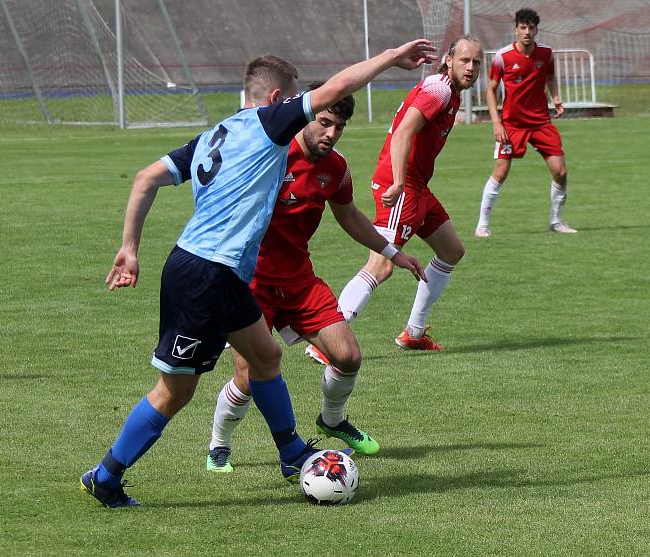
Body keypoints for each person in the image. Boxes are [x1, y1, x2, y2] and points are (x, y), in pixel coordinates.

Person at [79, 39, 437, 508]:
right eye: (293, 101)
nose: (301, 110)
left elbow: (148, 177)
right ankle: (106, 476)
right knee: (175, 391)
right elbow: (339, 86)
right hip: (204, 275)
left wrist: (130, 248)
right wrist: (392, 57)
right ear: (275, 101)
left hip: (220, 274)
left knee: (267, 357)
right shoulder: (270, 124)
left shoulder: (215, 134)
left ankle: (291, 453)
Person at [206, 82, 426, 473]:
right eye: (324, 122)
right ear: (306, 115)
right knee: (247, 376)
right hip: (250, 283)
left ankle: (332, 419)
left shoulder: (336, 168)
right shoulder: (269, 154)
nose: (330, 134)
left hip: (299, 281)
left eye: (338, 127)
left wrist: (393, 252)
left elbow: (350, 216)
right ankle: (219, 444)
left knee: (348, 356)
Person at [333, 35, 483, 352]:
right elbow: (403, 133)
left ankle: (414, 333)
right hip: (402, 185)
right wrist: (399, 182)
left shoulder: (448, 92)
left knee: (451, 250)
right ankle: (329, 340)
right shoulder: (439, 90)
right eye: (465, 60)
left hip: (417, 186)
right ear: (448, 60)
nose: (471, 68)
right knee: (381, 265)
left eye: (476, 62)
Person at [474, 7, 576, 238]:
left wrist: (556, 97)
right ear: (516, 30)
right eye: (523, 27)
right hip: (512, 125)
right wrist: (496, 123)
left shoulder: (546, 54)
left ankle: (556, 221)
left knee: (560, 171)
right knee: (500, 172)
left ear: (536, 29)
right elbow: (491, 90)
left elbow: (549, 77)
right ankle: (482, 224)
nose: (527, 31)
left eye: (531, 27)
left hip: (541, 122)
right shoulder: (503, 57)